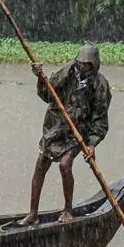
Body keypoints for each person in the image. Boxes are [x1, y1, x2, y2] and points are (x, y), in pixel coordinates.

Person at [17, 44, 112, 226]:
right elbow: (47, 95)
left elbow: (100, 119)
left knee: (64, 165)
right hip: (55, 126)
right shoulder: (67, 72)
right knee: (40, 165)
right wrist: (40, 77)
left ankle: (68, 210)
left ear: (94, 65)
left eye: (87, 64)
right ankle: (33, 214)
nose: (83, 67)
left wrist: (92, 143)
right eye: (80, 63)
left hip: (77, 132)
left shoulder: (100, 84)